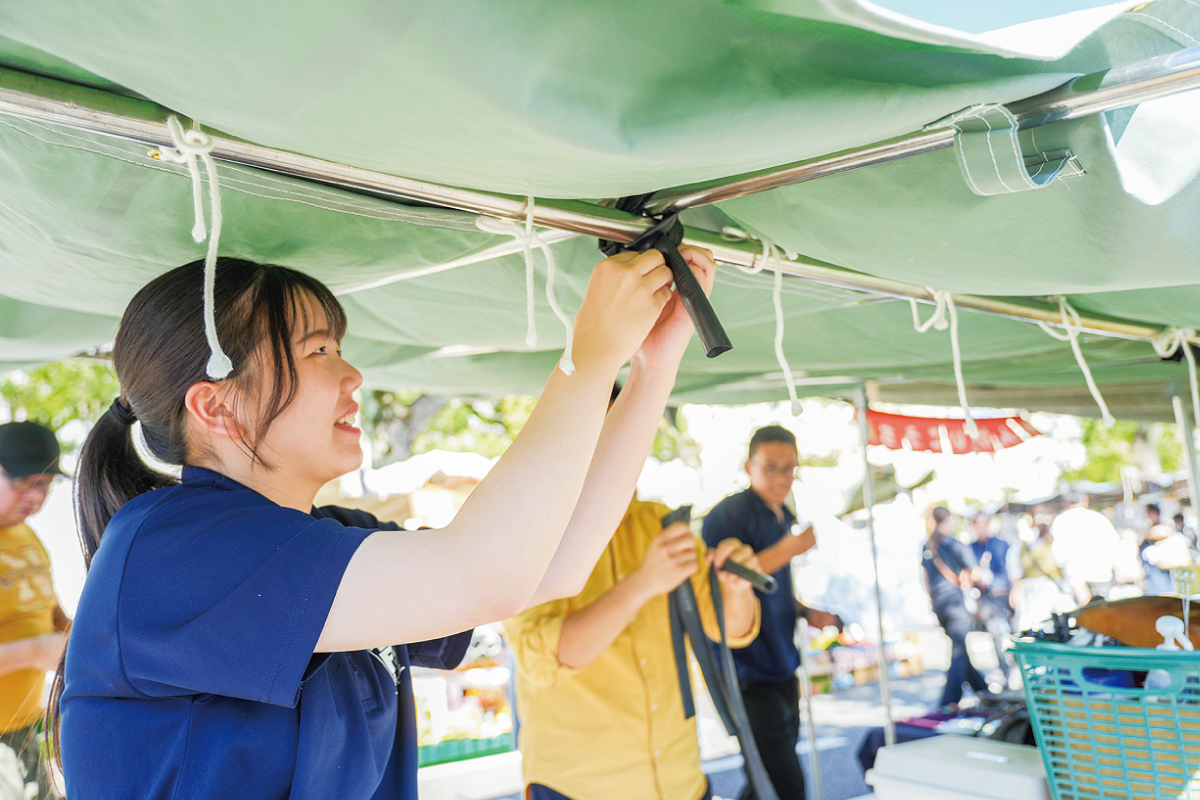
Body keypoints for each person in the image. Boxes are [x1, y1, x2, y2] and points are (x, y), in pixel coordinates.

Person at [54, 247, 716, 800]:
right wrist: (588, 356)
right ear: (217, 406)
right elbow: (485, 576)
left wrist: (652, 367)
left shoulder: (329, 536)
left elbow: (551, 565)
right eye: (318, 352)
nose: (353, 375)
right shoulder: (172, 551)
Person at [505, 472, 763, 800]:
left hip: (681, 780)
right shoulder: (536, 535)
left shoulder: (661, 522)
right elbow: (543, 656)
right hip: (580, 787)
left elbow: (729, 629)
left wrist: (736, 588)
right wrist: (642, 584)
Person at [701, 425, 816, 800]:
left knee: (764, 784)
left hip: (782, 664)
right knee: (786, 787)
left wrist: (804, 611)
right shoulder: (728, 515)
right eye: (770, 467)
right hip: (745, 673)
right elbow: (728, 580)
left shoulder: (782, 513)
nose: (781, 477)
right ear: (748, 466)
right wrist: (791, 548)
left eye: (789, 468)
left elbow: (774, 587)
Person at [0, 422, 71, 800]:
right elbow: (39, 643)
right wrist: (35, 651)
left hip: (27, 729)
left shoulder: (27, 535)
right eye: (24, 482)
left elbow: (52, 615)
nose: (34, 496)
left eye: (44, 485)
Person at [921, 506, 990, 710]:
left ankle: (982, 689)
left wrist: (932, 602)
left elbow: (925, 579)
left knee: (960, 647)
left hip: (939, 603)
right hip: (954, 602)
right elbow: (975, 573)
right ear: (948, 519)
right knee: (959, 650)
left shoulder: (927, 545)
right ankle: (949, 700)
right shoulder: (953, 543)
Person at [968, 512, 1016, 684]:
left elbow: (1010, 570)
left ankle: (1019, 669)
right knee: (995, 635)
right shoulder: (972, 548)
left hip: (1005, 594)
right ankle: (1006, 673)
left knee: (1015, 634)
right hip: (986, 598)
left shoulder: (1001, 544)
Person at [1051, 491, 1121, 604]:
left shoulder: (1060, 521)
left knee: (1084, 618)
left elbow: (1059, 554)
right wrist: (1117, 571)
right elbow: (1114, 547)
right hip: (1101, 574)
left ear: (1065, 503)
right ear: (1085, 501)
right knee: (1104, 614)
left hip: (1076, 577)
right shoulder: (1098, 518)